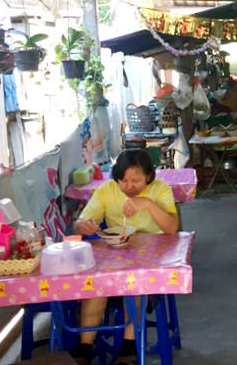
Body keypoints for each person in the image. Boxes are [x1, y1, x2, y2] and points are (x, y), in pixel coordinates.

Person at [72, 149, 178, 364]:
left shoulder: (160, 190)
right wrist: (83, 225)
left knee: (136, 284)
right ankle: (85, 349)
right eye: (123, 180)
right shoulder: (107, 191)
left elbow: (172, 228)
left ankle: (128, 348)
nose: (129, 186)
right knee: (96, 286)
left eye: (136, 181)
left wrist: (147, 203)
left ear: (149, 175)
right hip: (115, 257)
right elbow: (79, 223)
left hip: (150, 262)